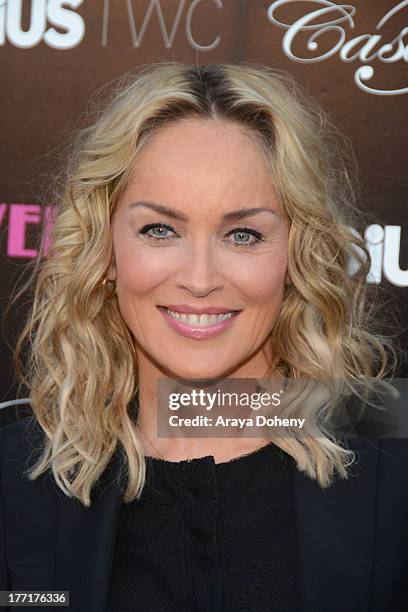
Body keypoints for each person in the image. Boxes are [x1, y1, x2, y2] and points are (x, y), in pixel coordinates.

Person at [0, 61, 407, 612]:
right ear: (106, 251)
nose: (199, 278)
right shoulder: (14, 482)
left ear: (297, 254)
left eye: (243, 234)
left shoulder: (392, 474)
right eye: (159, 229)